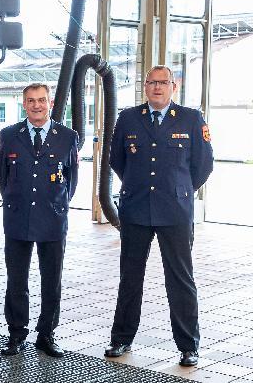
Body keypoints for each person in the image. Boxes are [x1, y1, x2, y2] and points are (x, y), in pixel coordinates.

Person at [105, 65, 213, 367]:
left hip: (175, 211)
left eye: (163, 82)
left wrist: (179, 189)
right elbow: (117, 160)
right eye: (151, 82)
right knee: (130, 277)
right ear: (145, 87)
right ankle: (121, 338)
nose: (156, 87)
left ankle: (188, 346)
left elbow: (203, 165)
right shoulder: (128, 118)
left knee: (180, 279)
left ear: (173, 87)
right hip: (136, 209)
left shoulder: (192, 119)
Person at [0, 83, 79, 358]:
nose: (36, 106)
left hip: (52, 219)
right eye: (30, 101)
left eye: (41, 100)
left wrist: (57, 204)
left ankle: (47, 334)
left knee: (51, 280)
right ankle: (16, 333)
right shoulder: (9, 135)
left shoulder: (67, 136)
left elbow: (71, 178)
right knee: (16, 279)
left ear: (50, 102)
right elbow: (2, 174)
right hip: (18, 218)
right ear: (23, 104)